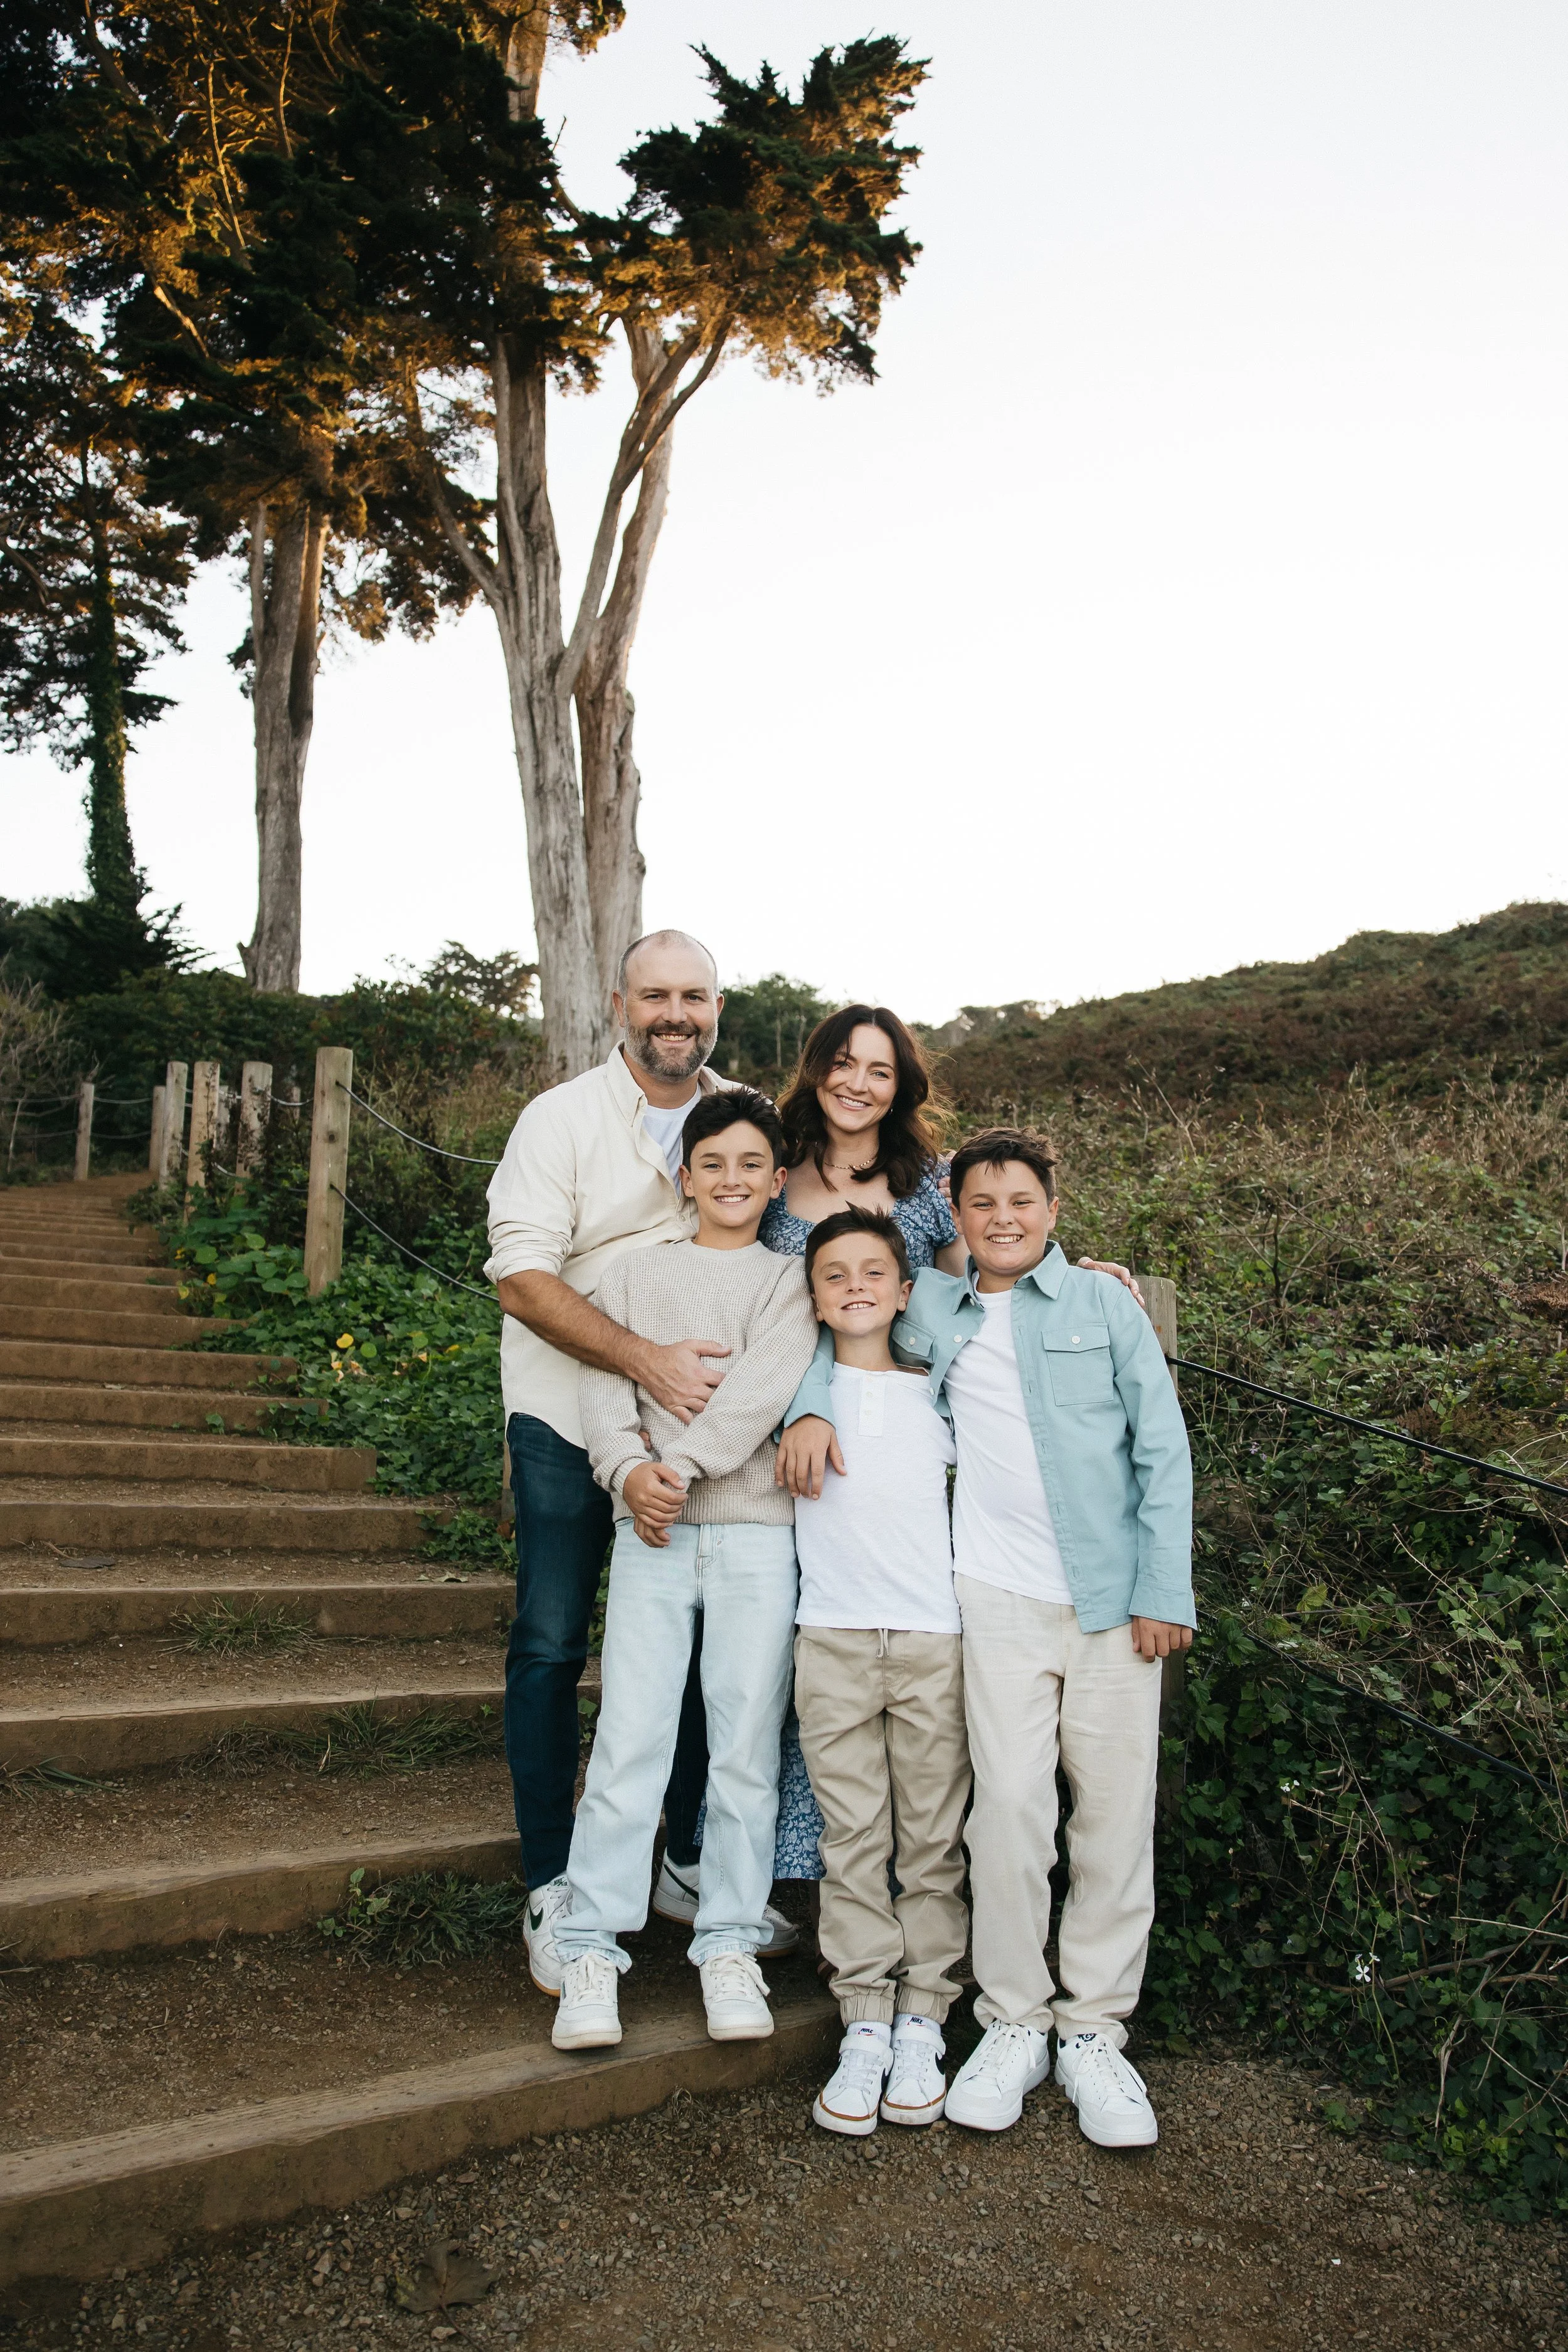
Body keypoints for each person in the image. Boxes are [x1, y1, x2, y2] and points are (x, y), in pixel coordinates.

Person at [781, 1126, 1194, 2146]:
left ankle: (1094, 2028)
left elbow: (1162, 1445)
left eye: (1022, 1199)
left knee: (1111, 1813)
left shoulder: (1105, 1303)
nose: (1003, 1216)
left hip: (1108, 1602)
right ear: (954, 1218)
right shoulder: (935, 1305)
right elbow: (840, 1332)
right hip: (992, 1602)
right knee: (1004, 1813)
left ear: (1054, 1208)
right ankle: (1011, 2018)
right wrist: (803, 1404)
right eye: (982, 1202)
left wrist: (1164, 1587)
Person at [484, 930, 795, 1998]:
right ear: (619, 1003)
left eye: (695, 995)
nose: (676, 1012)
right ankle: (552, 1880)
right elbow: (521, 1274)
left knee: (712, 1658)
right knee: (553, 1639)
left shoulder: (743, 1115)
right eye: (655, 994)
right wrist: (644, 1364)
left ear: (718, 1006)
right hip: (575, 1417)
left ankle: (685, 1857)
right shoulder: (562, 1119)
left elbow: (862, 1203)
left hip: (718, 1457)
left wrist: (1059, 1261)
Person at [553, 1090, 818, 2050]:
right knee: (630, 1736)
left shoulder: (790, 1279)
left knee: (745, 1743)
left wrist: (683, 1465)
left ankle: (729, 1943)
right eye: (714, 1164)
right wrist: (629, 1472)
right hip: (652, 1535)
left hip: (753, 1535)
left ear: (778, 1178)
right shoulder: (634, 1275)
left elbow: (763, 1388)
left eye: (753, 1164)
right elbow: (602, 1386)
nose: (733, 1180)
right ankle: (590, 1945)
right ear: (684, 1176)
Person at [791, 1206, 970, 2137]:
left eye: (875, 1271)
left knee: (933, 1835)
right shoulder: (799, 1392)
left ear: (906, 1292)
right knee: (853, 1830)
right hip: (831, 1637)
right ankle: (864, 2015)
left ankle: (925, 2016)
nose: (855, 1284)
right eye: (834, 1273)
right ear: (814, 1297)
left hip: (932, 1638)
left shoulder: (940, 1393)